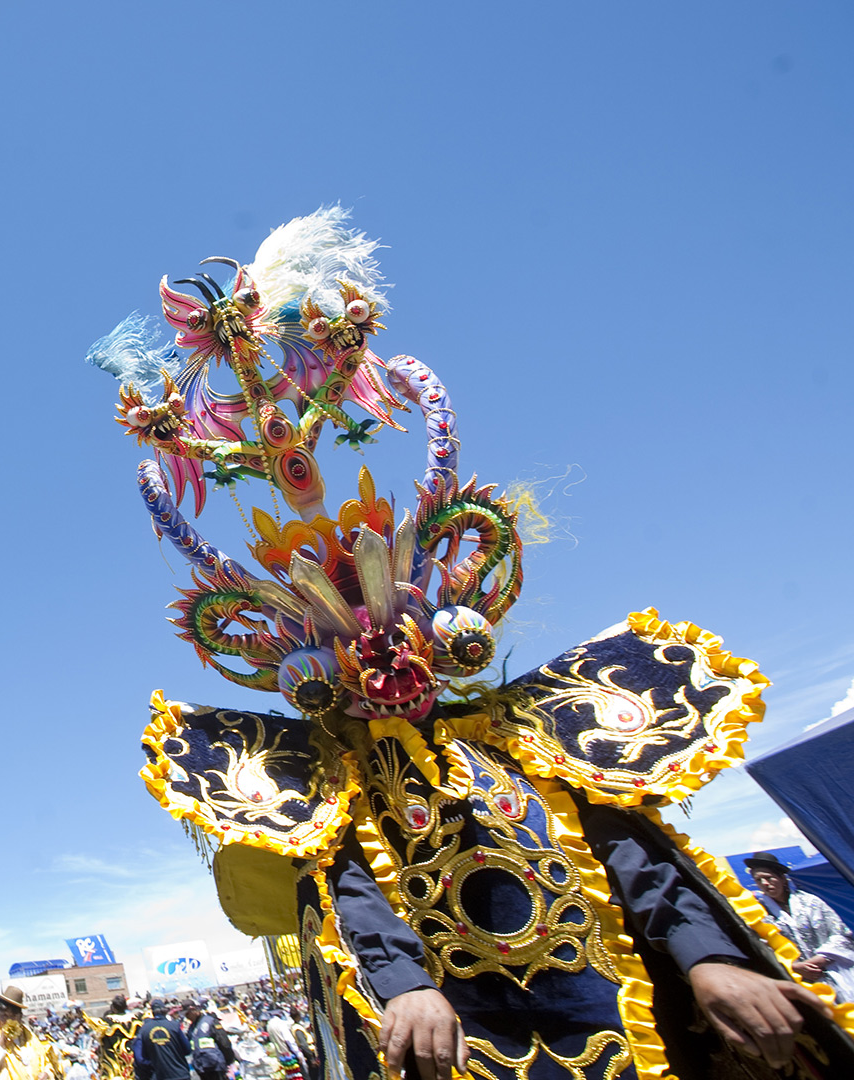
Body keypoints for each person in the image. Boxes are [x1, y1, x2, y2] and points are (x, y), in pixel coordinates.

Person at [96, 209, 854, 1080]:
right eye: (334, 664)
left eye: (415, 637)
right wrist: (402, 983)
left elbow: (624, 841)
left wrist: (708, 957)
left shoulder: (522, 730)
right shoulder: (329, 776)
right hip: (457, 1045)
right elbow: (344, 879)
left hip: (623, 1019)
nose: (384, 668)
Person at [746, 851, 854, 1002]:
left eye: (769, 878)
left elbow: (840, 933)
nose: (765, 883)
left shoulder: (811, 902)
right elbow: (762, 948)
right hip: (796, 982)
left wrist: (818, 961)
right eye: (758, 880)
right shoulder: (758, 914)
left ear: (782, 879)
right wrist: (795, 967)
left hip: (834, 972)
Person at [0, 986, 63, 1080]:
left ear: (20, 1016)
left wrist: (47, 1073)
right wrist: (2, 1042)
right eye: (4, 1015)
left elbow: (46, 1061)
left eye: (13, 1016)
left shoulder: (30, 1036)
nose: (9, 1019)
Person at [133, 1000, 193, 1080]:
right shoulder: (174, 1026)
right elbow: (187, 1050)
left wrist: (154, 1063)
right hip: (180, 1074)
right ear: (165, 1011)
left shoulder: (144, 1029)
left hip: (159, 1075)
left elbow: (140, 1058)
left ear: (152, 1012)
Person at [185, 999, 233, 1080]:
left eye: (187, 1014)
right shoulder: (191, 1028)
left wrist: (228, 1060)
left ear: (193, 1010)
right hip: (201, 1067)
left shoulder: (210, 1021)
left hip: (215, 1066)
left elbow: (224, 1043)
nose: (187, 1017)